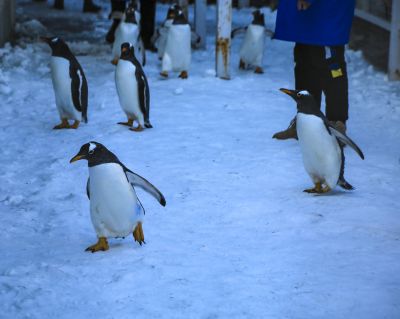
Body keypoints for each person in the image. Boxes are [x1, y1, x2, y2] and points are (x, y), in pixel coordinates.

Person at [272, 0, 355, 139]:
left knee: (332, 66)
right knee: (304, 61)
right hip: (308, 13)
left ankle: (337, 124)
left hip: (326, 8)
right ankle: (306, 122)